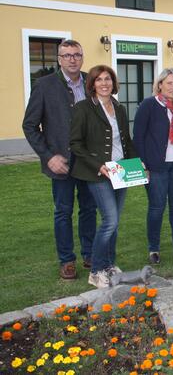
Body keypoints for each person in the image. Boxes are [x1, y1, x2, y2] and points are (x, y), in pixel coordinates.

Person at [22, 39, 97, 280]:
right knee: (63, 212)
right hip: (61, 162)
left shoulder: (92, 82)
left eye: (76, 54)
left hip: (88, 161)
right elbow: (30, 125)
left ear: (82, 57)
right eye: (66, 55)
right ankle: (67, 260)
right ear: (59, 59)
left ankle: (90, 254)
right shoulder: (44, 85)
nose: (72, 59)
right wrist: (48, 156)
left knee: (89, 209)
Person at [70, 65, 136, 288]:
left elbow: (126, 140)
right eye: (99, 80)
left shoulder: (120, 108)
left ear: (113, 82)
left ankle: (109, 264)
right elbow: (75, 144)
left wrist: (139, 164)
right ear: (92, 84)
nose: (104, 83)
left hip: (120, 171)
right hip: (97, 172)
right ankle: (96, 270)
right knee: (110, 220)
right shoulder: (83, 108)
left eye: (108, 79)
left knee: (114, 223)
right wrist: (98, 166)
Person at [134, 68, 173, 264]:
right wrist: (143, 164)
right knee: (156, 208)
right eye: (169, 83)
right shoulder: (148, 105)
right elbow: (138, 137)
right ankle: (154, 249)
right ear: (160, 84)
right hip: (156, 166)